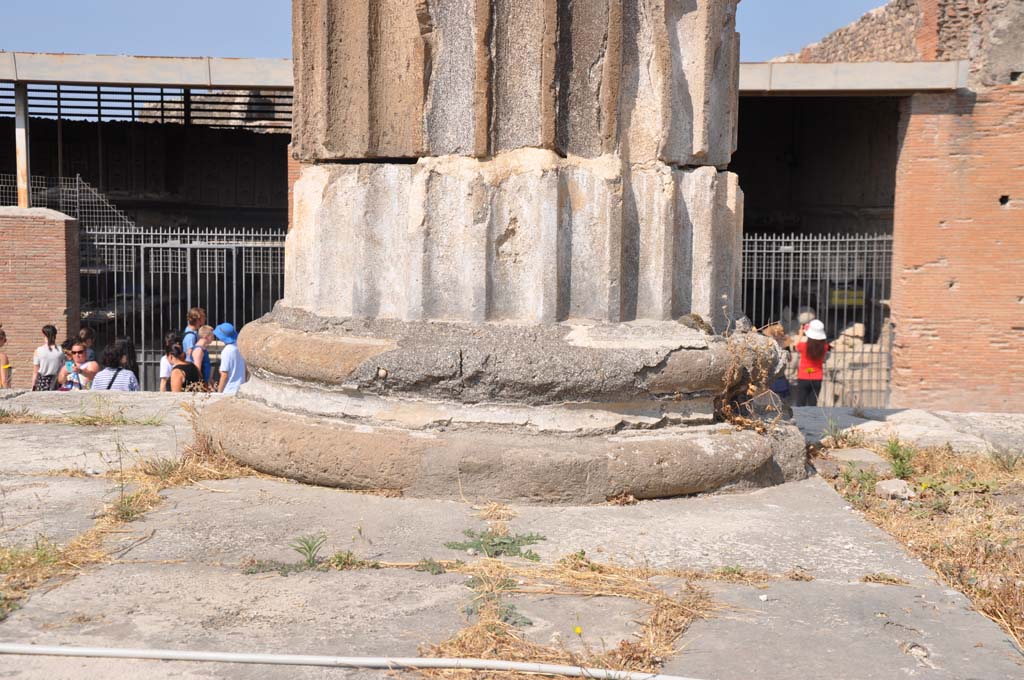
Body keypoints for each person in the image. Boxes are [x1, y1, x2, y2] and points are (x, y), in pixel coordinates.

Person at [794, 319, 829, 407]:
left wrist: (801, 334)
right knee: (813, 404)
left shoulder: (803, 346)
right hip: (817, 377)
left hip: (803, 377)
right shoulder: (825, 347)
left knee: (800, 403)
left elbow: (795, 345)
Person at [214, 323, 247, 395]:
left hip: (229, 390)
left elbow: (224, 375)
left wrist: (219, 393)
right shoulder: (240, 347)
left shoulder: (227, 351)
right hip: (240, 388)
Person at [31, 325, 64, 391]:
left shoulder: (39, 350)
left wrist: (33, 386)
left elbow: (35, 372)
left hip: (42, 382)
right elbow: (66, 366)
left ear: (44, 335)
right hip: (56, 382)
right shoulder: (61, 350)